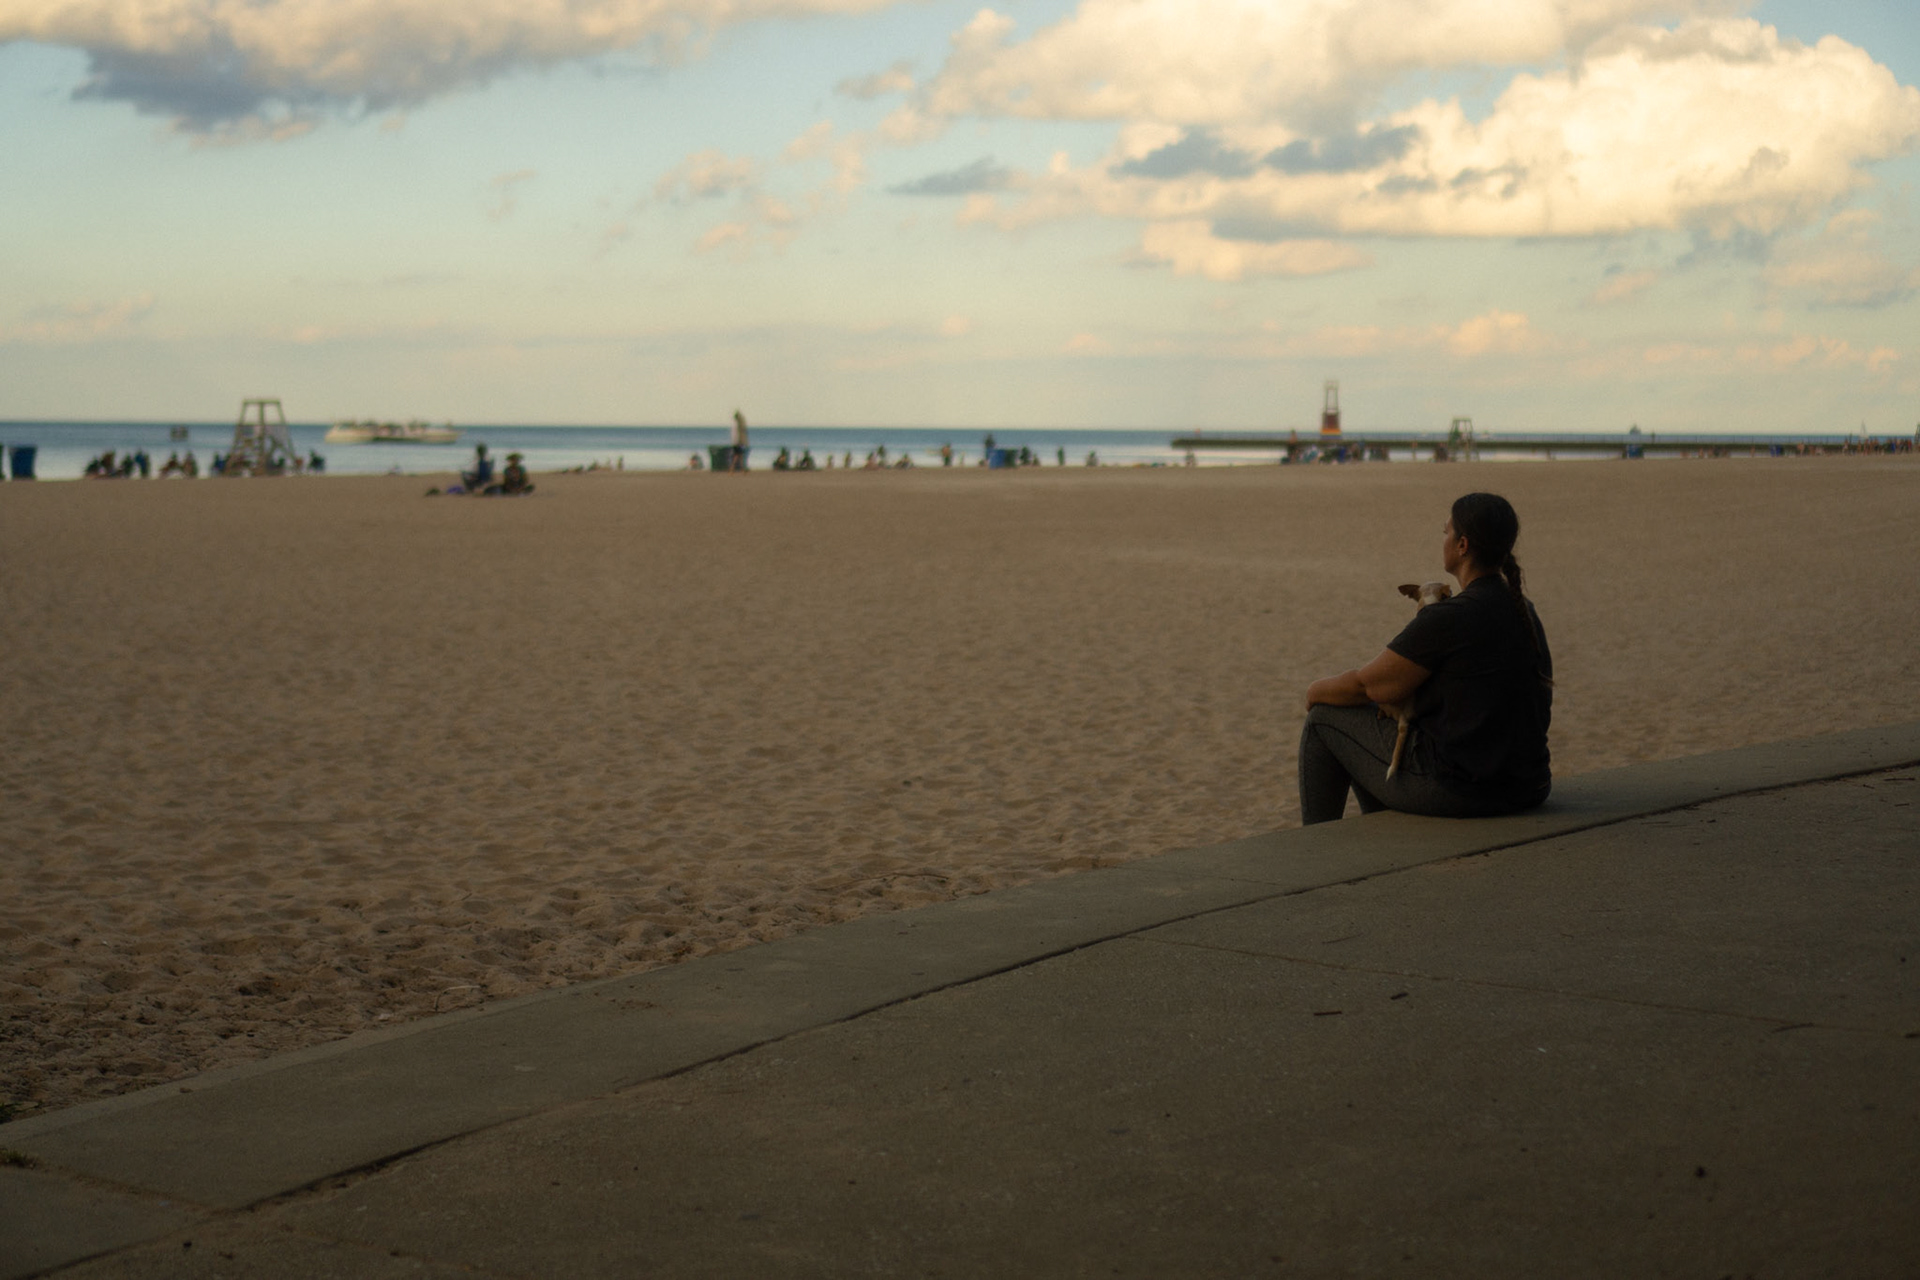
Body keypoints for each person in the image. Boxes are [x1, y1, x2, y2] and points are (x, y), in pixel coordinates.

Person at [1298, 492, 1552, 825]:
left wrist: (1313, 691)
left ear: (1462, 545)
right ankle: (1385, 832)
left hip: (1465, 790)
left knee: (1324, 718)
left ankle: (1314, 847)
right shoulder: (1523, 610)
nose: (1443, 538)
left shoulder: (1451, 617)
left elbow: (1368, 688)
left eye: (1445, 532)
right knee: (1369, 732)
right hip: (1528, 784)